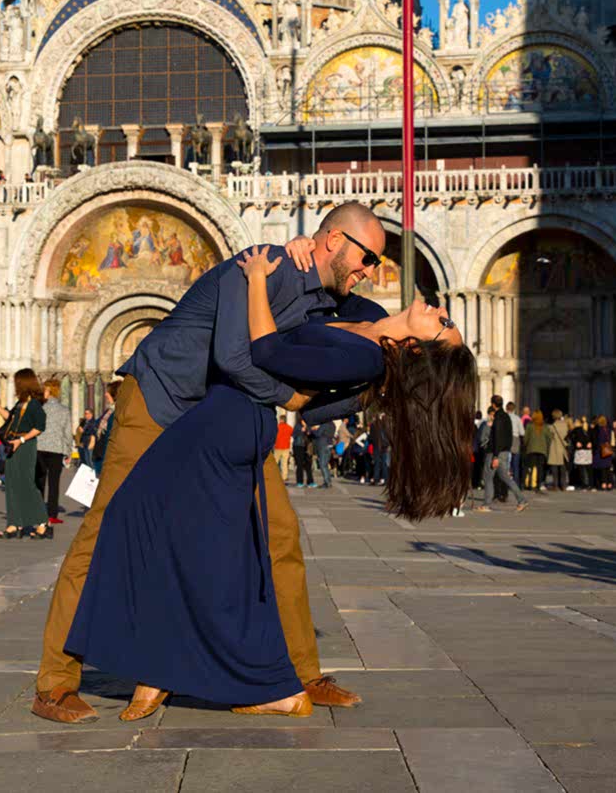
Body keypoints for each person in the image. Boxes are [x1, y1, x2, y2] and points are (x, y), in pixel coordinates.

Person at [63, 246, 475, 719]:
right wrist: (308, 247)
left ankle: (261, 685)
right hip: (218, 417)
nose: (440, 310)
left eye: (442, 324)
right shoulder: (367, 319)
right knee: (194, 544)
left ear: (417, 350)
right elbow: (334, 282)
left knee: (169, 533)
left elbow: (266, 352)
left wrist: (257, 277)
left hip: (227, 424)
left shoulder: (367, 360)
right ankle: (168, 671)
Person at [33, 209, 380, 726]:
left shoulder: (326, 295)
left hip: (224, 416)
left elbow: (374, 318)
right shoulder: (263, 264)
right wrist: (292, 397)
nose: (370, 270)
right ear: (334, 240)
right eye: (367, 257)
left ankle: (298, 672)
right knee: (105, 532)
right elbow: (234, 357)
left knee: (277, 532)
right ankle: (56, 682)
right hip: (160, 400)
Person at [0, 369, 50, 540]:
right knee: (12, 483)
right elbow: (10, 420)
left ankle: (43, 522)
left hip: (25, 445)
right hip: (12, 445)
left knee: (26, 483)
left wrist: (21, 440)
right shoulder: (19, 403)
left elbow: (40, 426)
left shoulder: (35, 405)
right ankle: (14, 523)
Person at [476, 396, 527, 512]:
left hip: (495, 452)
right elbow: (508, 437)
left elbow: (497, 437)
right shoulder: (507, 417)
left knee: (488, 477)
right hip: (504, 452)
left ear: (493, 404)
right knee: (506, 478)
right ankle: (522, 500)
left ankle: (486, 504)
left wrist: (495, 456)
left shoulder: (498, 418)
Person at [37, 380, 74, 523]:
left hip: (39, 448)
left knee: (39, 481)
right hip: (57, 450)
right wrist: (68, 451)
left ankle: (37, 512)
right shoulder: (64, 410)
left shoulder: (40, 408)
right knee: (54, 483)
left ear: (49, 391)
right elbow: (67, 433)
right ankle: (52, 514)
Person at [545, 409, 571, 491]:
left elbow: (549, 437)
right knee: (563, 468)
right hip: (563, 448)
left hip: (555, 448)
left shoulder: (552, 426)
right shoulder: (565, 425)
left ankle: (555, 485)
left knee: (554, 468)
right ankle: (563, 485)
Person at [522, 410, 547, 491]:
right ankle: (538, 484)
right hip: (542, 449)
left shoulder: (529, 426)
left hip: (531, 449)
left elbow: (526, 438)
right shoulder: (544, 426)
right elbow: (549, 437)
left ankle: (529, 484)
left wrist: (525, 446)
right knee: (540, 468)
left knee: (530, 467)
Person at [593, 416, 615, 491]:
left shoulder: (598, 429)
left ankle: (603, 483)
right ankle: (610, 483)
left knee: (602, 468)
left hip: (600, 450)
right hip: (607, 449)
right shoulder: (608, 429)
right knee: (608, 468)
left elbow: (597, 440)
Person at [272, 412, 294, 481]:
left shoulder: (276, 427)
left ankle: (274, 476)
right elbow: (292, 435)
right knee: (284, 463)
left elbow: (273, 436)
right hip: (286, 447)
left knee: (275, 463)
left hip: (277, 447)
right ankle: (284, 477)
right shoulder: (289, 428)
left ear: (281, 420)